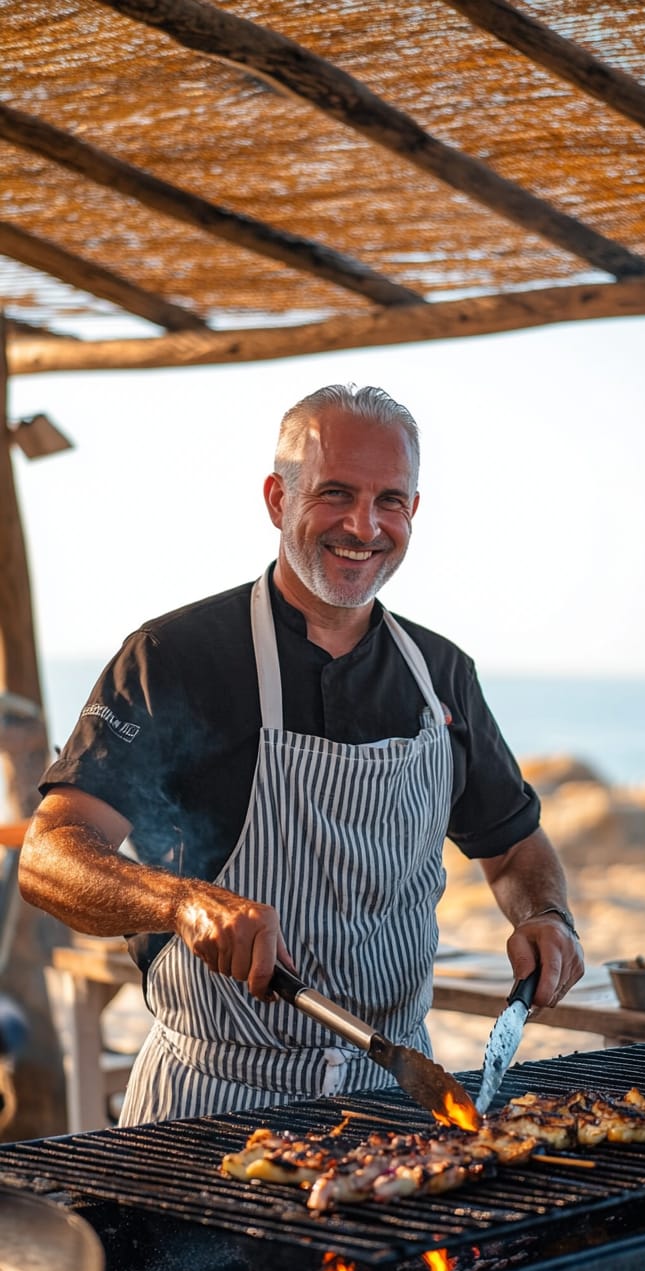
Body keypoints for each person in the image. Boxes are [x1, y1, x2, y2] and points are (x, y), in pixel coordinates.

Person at [19, 383, 584, 1124]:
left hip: (395, 1100)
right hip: (211, 1100)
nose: (363, 525)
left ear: (413, 512)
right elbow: (49, 856)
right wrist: (180, 901)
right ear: (276, 498)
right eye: (336, 493)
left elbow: (512, 849)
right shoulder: (173, 658)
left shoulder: (441, 673)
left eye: (390, 500)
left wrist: (546, 915)